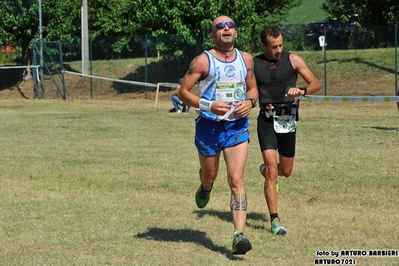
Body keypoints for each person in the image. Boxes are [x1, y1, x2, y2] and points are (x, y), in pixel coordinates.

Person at [178, 16, 258, 255]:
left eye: (230, 26)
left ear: (236, 32)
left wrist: (250, 102)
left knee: (236, 180)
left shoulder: (246, 59)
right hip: (209, 127)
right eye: (219, 27)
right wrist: (208, 105)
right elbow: (183, 91)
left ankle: (239, 234)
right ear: (212, 35)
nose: (226, 28)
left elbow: (253, 87)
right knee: (210, 176)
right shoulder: (203, 61)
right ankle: (205, 186)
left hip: (237, 126)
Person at [253, 26, 321, 235]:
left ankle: (266, 170)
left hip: (287, 120)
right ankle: (275, 220)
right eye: (274, 47)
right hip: (266, 120)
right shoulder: (253, 64)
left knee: (286, 171)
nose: (278, 50)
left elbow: (315, 83)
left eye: (281, 45)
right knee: (273, 171)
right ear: (263, 45)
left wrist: (301, 90)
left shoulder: (293, 60)